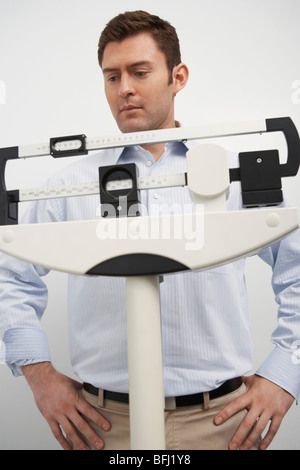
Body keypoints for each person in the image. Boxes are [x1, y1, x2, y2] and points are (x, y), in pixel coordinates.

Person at [0, 10, 299, 451]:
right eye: (111, 76)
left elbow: (295, 270)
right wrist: (39, 375)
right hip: (105, 428)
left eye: (140, 72)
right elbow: (12, 276)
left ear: (177, 76)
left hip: (220, 424)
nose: (124, 89)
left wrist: (283, 375)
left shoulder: (233, 174)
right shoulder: (69, 184)